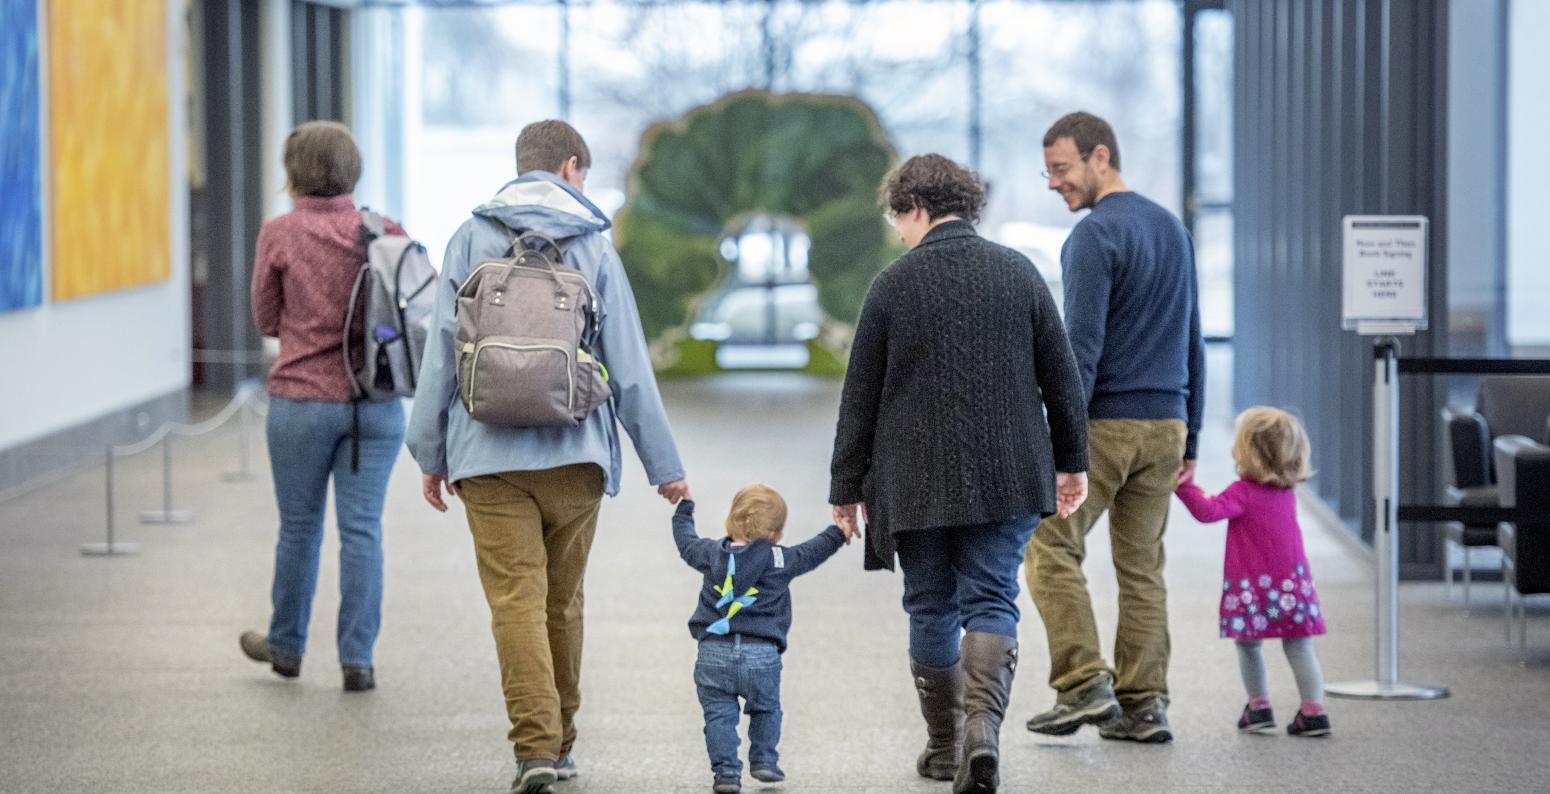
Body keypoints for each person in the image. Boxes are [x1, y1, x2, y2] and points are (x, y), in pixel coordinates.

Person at [406, 120, 690, 794]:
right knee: (562, 603)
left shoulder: (470, 236)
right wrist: (663, 464)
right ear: (570, 167)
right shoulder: (593, 244)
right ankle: (561, 744)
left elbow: (440, 356)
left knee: (515, 603)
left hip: (488, 456)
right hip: (577, 454)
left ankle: (533, 749)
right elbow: (628, 365)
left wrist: (428, 451)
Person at [829, 154, 1089, 794]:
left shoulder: (892, 285)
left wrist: (843, 489)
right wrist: (1071, 460)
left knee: (929, 603)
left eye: (898, 216)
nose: (897, 231)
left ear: (916, 207)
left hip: (913, 479)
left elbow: (858, 397)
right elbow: (1062, 379)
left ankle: (944, 745)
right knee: (993, 595)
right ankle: (983, 732)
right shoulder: (1018, 273)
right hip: (1008, 473)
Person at [1024, 111, 1205, 744]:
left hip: (1107, 426)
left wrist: (1063, 444)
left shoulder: (1093, 239)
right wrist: (1194, 435)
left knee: (1048, 546)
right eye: (1047, 171)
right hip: (1167, 427)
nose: (1053, 183)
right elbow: (1193, 340)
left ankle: (1083, 685)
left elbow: (1082, 350)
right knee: (1141, 567)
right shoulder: (1172, 231)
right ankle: (1144, 706)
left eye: (1062, 168)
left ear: (1101, 156)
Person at [239, 121, 407, 693]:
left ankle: (286, 646)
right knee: (362, 533)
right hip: (375, 406)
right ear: (351, 169)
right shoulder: (386, 231)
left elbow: (265, 320)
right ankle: (357, 660)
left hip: (301, 403)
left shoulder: (280, 234)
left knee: (299, 529)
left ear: (294, 172)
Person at [672, 484, 850, 793]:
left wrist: (684, 509)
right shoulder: (780, 559)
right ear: (777, 531)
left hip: (713, 652)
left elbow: (686, 542)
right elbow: (813, 551)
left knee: (719, 714)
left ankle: (726, 772)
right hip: (762, 654)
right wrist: (839, 532)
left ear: (732, 519)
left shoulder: (711, 553)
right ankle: (764, 760)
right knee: (767, 709)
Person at [1175, 407, 1331, 737]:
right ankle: (1314, 712)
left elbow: (1208, 511)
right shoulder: (1286, 492)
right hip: (1289, 590)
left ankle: (1259, 707)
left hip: (1254, 592)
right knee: (1300, 647)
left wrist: (1184, 486)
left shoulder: (1243, 492)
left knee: (1248, 645)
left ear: (1248, 452)